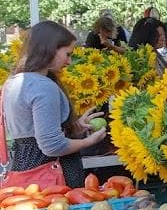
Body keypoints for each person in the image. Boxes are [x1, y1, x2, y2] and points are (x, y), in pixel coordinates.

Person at [1, 21, 107, 187]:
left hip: (24, 169)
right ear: (51, 50)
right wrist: (89, 141)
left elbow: (30, 131)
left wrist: (76, 126)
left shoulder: (12, 82)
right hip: (52, 173)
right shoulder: (43, 86)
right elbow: (52, 146)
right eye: (68, 54)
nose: (69, 61)